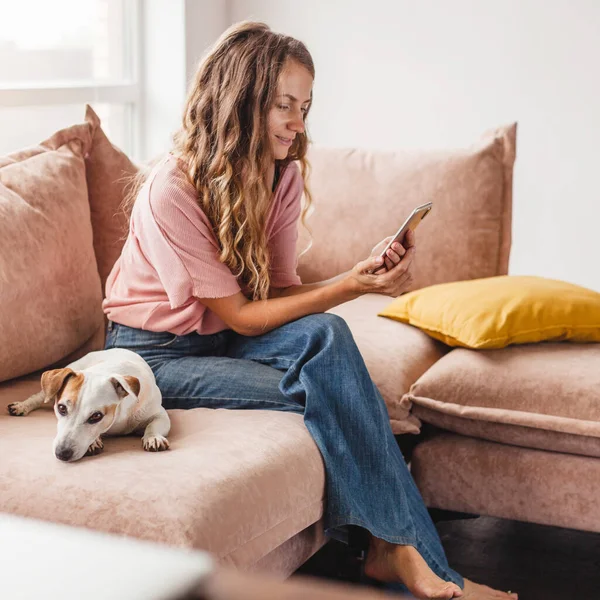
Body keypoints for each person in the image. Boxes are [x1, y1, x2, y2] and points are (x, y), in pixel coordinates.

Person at [103, 21, 517, 600]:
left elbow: (276, 294)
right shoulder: (171, 190)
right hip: (154, 356)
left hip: (224, 333)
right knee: (336, 385)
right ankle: (411, 560)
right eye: (284, 106)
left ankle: (391, 552)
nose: (300, 123)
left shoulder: (282, 173)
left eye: (306, 105)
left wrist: (360, 273)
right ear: (242, 102)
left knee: (325, 337)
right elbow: (247, 317)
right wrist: (352, 285)